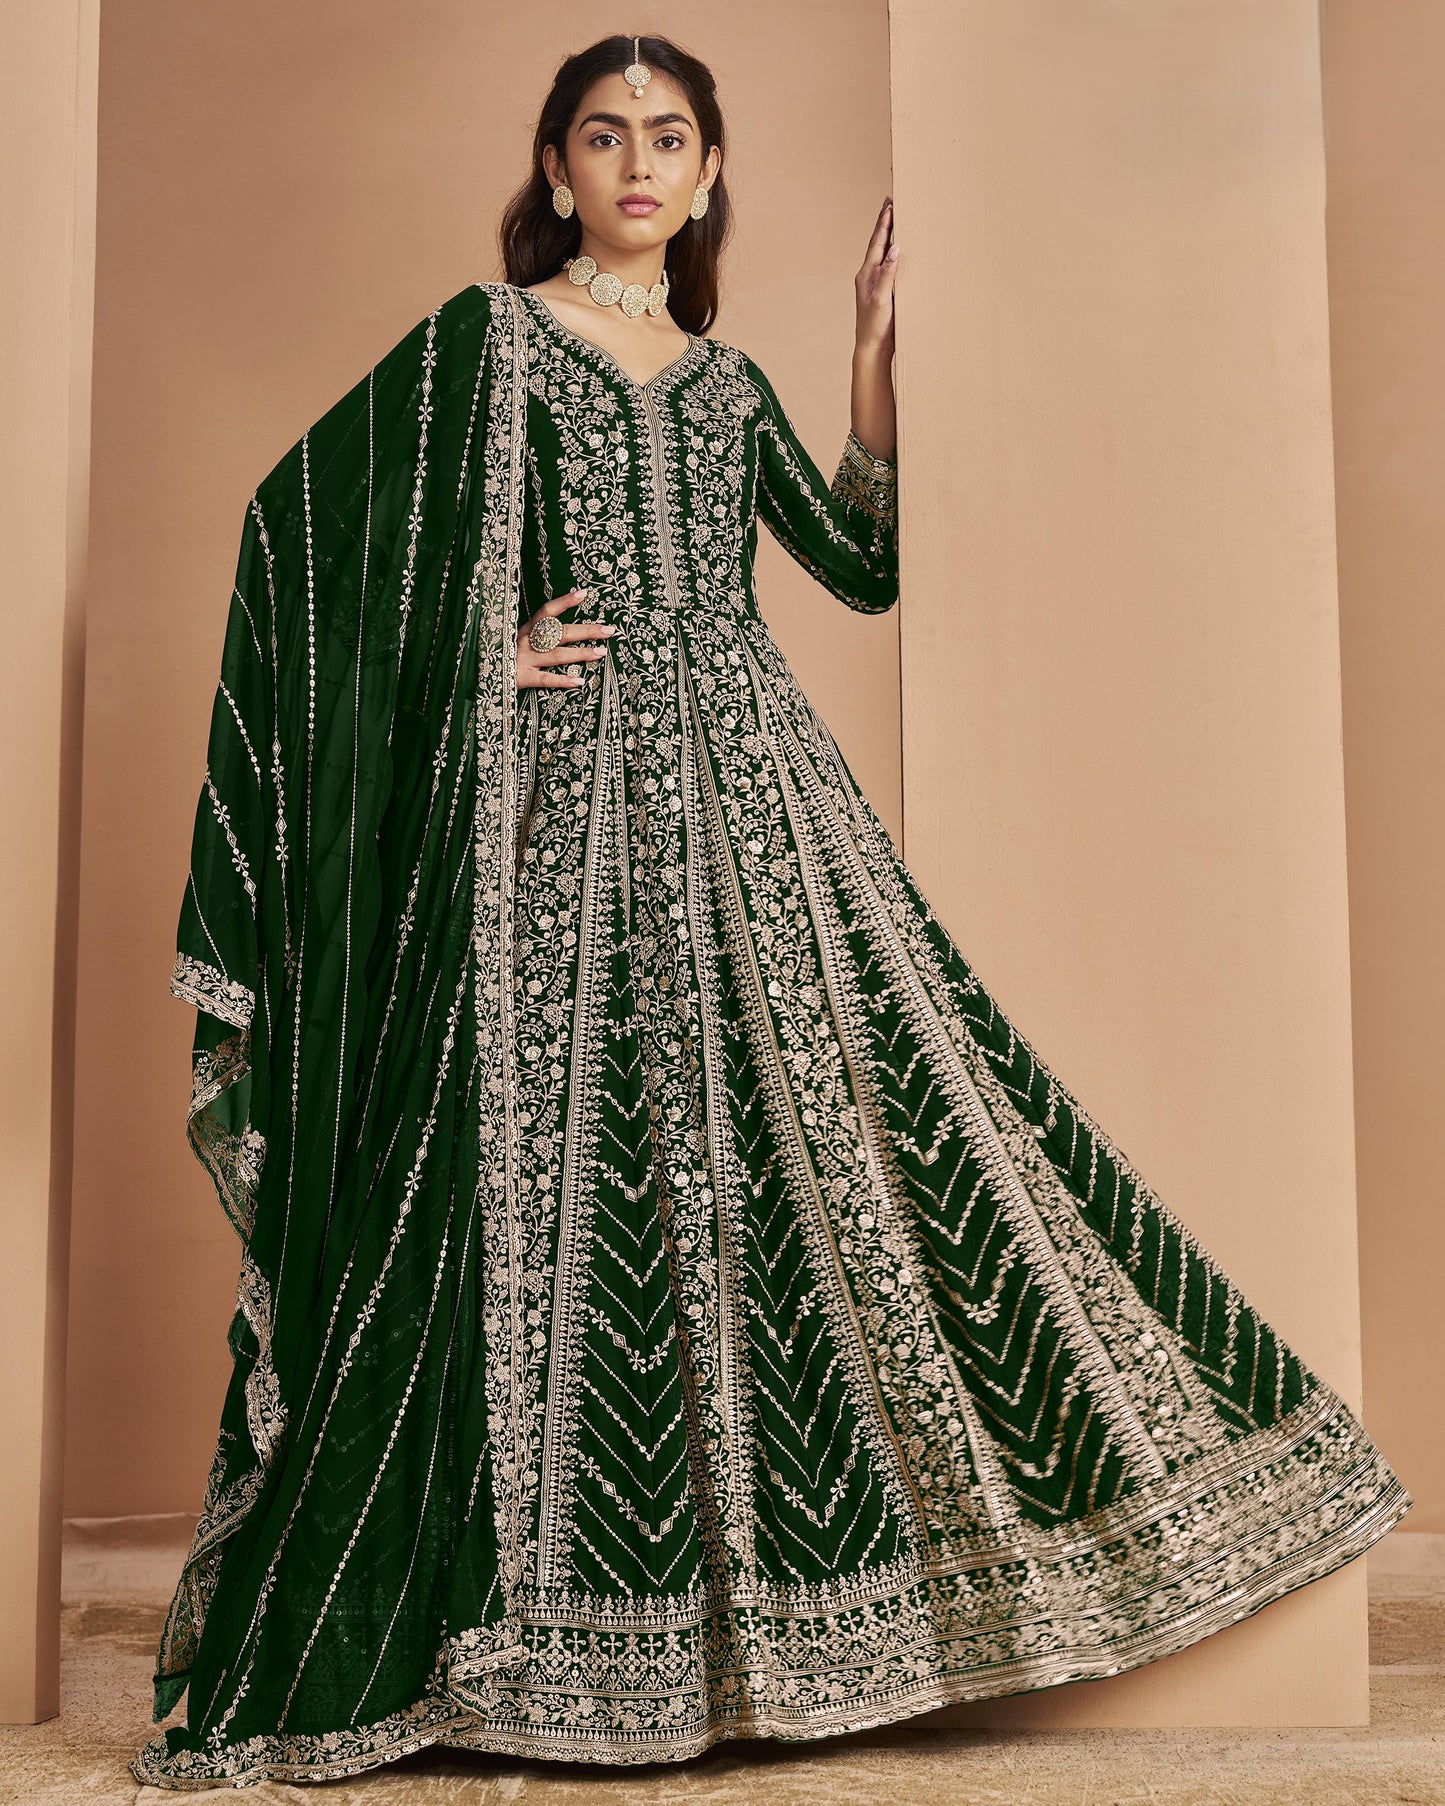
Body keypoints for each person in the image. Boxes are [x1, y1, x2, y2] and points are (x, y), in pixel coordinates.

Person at [133, 31, 1411, 1790]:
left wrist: (872, 367)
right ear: (557, 166)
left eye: (668, 138)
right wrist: (484, 658)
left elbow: (860, 561)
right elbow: (305, 535)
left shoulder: (724, 386)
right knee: (537, 1181)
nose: (637, 165)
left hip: (758, 817)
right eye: (605, 136)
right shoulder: (484, 346)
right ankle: (524, 1627)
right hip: (554, 835)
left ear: (711, 171)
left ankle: (763, 1620)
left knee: (846, 1151)